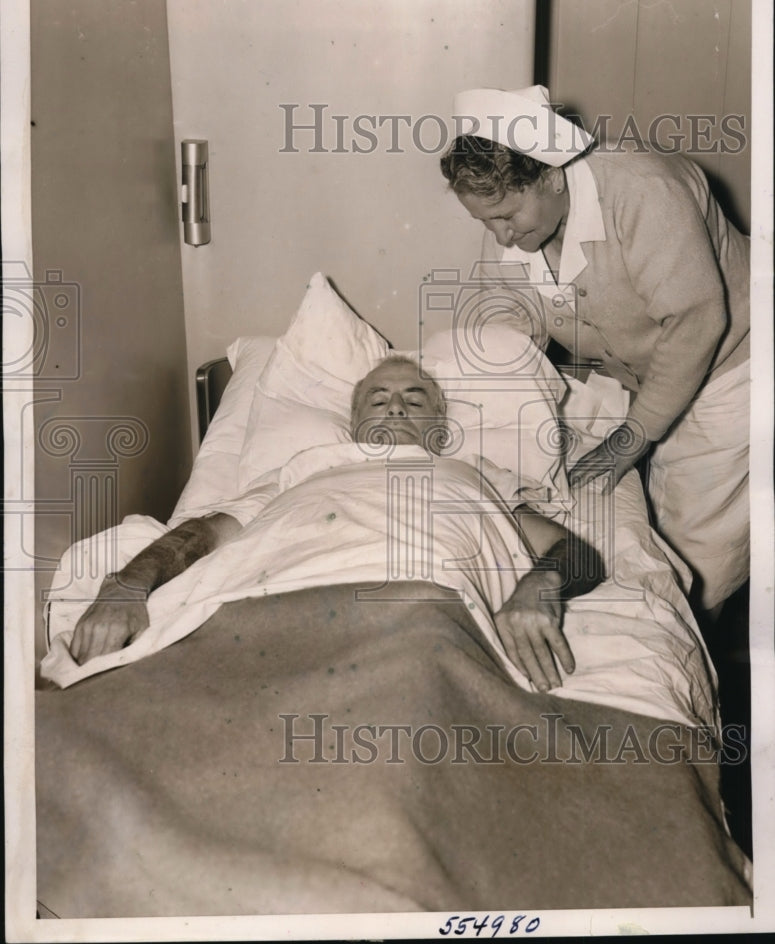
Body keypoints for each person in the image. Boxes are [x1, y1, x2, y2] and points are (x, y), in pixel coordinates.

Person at [71, 356, 604, 692]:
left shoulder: (470, 473)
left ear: (439, 425)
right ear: (353, 422)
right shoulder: (302, 469)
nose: (395, 407)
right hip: (256, 607)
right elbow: (205, 534)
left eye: (414, 399)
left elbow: (572, 550)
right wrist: (126, 585)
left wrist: (541, 582)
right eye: (378, 398)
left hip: (414, 609)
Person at [440, 85, 750, 623]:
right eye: (485, 223)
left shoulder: (643, 190)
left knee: (693, 549)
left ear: (552, 174)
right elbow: (509, 319)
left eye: (508, 216)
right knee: (658, 520)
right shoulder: (517, 217)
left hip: (736, 364)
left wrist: (631, 437)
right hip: (658, 369)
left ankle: (704, 662)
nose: (501, 236)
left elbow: (697, 321)